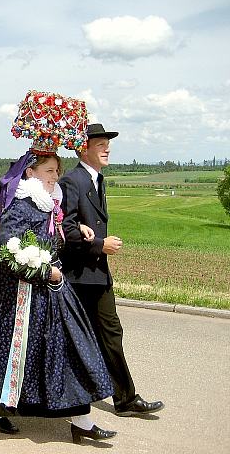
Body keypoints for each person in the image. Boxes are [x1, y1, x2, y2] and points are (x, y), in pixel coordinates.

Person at [0, 150, 116, 443]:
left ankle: (81, 420)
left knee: (69, 350)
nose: (55, 177)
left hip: (49, 292)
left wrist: (77, 229)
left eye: (57, 172)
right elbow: (8, 251)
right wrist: (44, 273)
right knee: (22, 356)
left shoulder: (49, 206)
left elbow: (53, 241)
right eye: (49, 171)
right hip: (19, 298)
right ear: (30, 174)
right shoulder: (21, 206)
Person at [59, 123, 164, 417]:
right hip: (79, 277)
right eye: (100, 144)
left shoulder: (98, 180)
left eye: (108, 144)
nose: (107, 149)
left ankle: (125, 399)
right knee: (76, 339)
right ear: (84, 148)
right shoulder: (72, 181)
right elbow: (64, 230)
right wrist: (100, 245)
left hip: (98, 276)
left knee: (110, 333)